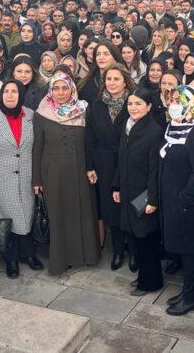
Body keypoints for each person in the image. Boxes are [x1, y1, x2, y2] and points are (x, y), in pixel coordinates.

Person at [33, 72, 100, 275]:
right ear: (50, 90)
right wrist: (36, 179)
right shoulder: (41, 113)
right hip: (53, 171)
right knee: (59, 215)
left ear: (72, 89)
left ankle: (85, 255)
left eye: (65, 88)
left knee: (81, 212)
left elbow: (91, 142)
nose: (60, 92)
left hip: (80, 169)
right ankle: (61, 259)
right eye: (56, 88)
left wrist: (91, 167)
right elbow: (37, 147)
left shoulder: (84, 110)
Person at [159, 86, 194, 316]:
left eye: (178, 99)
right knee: (182, 249)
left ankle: (192, 296)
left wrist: (184, 200)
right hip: (173, 199)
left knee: (191, 250)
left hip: (188, 204)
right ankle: (187, 291)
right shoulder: (175, 126)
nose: (173, 103)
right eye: (171, 99)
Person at [0, 80, 40, 279]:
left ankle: (28, 254)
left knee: (27, 218)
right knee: (7, 222)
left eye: (14, 91)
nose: (10, 95)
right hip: (1, 182)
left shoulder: (32, 116)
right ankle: (11, 260)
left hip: (28, 179)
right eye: (6, 91)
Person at [113, 88, 165, 296]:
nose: (133, 108)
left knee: (146, 238)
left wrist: (152, 199)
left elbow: (155, 169)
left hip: (143, 194)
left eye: (138, 104)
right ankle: (143, 276)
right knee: (135, 236)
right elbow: (121, 159)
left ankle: (150, 283)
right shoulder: (128, 127)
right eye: (130, 104)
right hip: (128, 190)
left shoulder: (153, 131)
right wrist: (116, 186)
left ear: (149, 106)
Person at [86, 64, 135, 271]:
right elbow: (89, 138)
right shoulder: (96, 106)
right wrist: (90, 167)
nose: (112, 83)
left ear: (125, 81)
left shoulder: (134, 103)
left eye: (116, 79)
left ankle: (134, 252)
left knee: (131, 208)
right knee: (112, 209)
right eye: (108, 79)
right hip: (104, 164)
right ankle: (117, 251)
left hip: (129, 164)